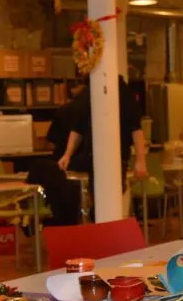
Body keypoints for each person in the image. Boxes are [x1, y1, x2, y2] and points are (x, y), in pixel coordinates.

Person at [57, 76, 147, 218]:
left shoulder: (122, 93)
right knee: (104, 198)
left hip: (110, 155)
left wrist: (140, 160)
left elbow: (136, 128)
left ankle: (101, 219)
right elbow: (78, 127)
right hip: (98, 155)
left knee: (108, 198)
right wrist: (67, 154)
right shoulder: (90, 93)